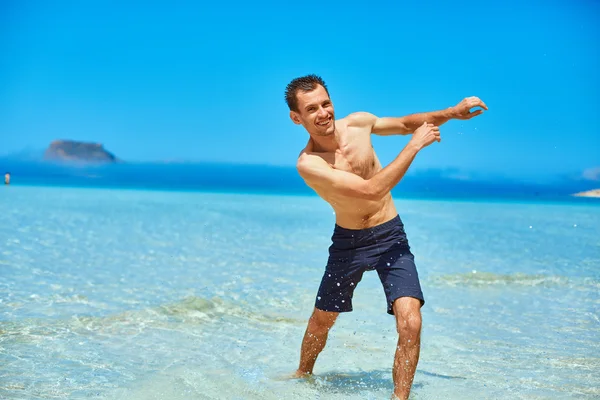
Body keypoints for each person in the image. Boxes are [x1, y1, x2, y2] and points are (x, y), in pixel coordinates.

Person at [285, 74, 487, 400]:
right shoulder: (309, 164)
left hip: (390, 234)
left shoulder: (359, 123)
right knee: (322, 321)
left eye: (326, 103)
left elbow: (407, 123)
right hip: (348, 244)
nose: (323, 112)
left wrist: (452, 112)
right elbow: (371, 190)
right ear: (297, 118)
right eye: (312, 109)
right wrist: (415, 146)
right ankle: (302, 374)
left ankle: (400, 397)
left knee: (411, 322)